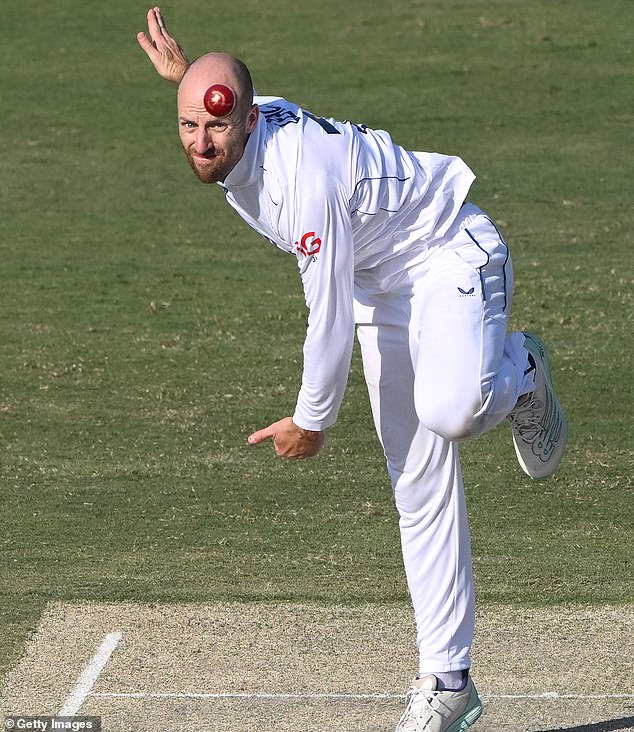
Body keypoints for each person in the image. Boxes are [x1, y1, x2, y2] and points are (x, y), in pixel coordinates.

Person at [137, 7, 568, 731]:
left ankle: (521, 370)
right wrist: (189, 81)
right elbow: (225, 95)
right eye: (188, 126)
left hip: (446, 248)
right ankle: (449, 683)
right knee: (415, 478)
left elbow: (328, 315)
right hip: (383, 280)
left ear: (247, 122)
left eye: (216, 127)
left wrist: (312, 420)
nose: (202, 143)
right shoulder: (239, 118)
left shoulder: (304, 185)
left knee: (453, 410)